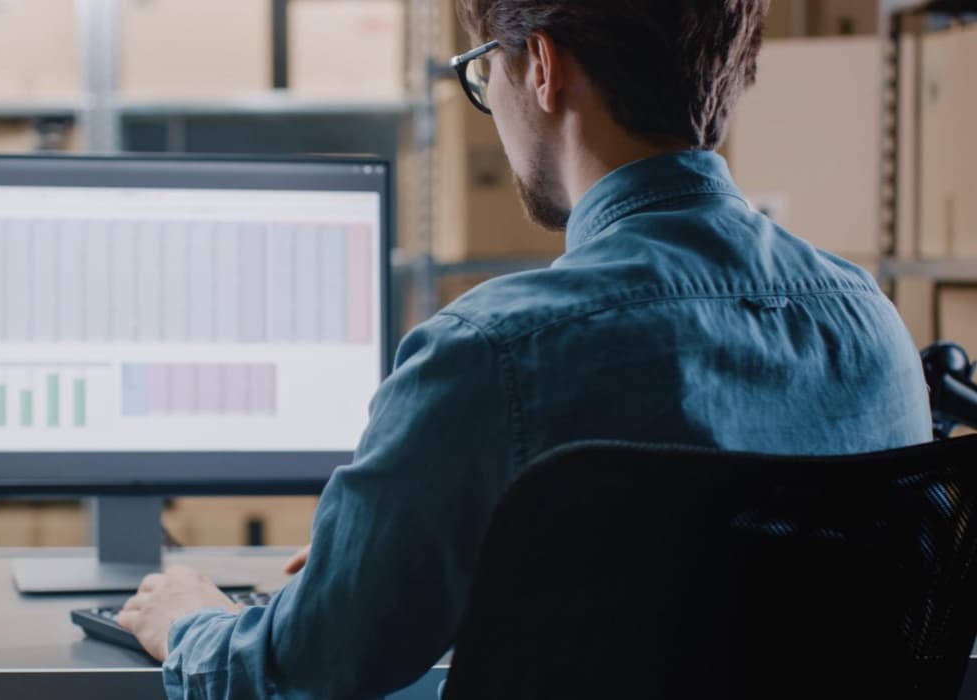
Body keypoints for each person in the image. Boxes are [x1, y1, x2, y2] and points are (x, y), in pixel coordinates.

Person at [117, 1, 934, 697]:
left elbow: (299, 674)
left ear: (541, 67)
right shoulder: (873, 327)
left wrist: (192, 620)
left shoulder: (491, 354)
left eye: (483, 73)